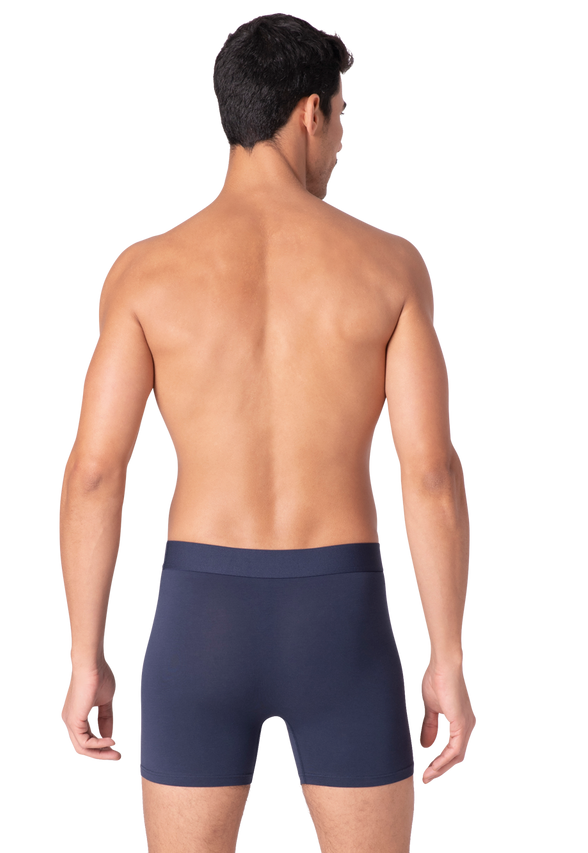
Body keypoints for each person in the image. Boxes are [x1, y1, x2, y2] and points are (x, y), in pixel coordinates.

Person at [57, 12, 478, 853]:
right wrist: (449, 660)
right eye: (343, 116)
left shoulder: (144, 269)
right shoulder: (390, 264)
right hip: (341, 619)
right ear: (311, 112)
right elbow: (429, 473)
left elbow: (96, 472)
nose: (342, 140)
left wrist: (83, 656)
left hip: (198, 619)